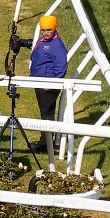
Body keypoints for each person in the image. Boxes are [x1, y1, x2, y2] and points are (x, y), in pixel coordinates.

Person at [30, 14, 69, 153]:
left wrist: (51, 84)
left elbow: (61, 67)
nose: (46, 33)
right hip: (40, 82)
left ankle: (45, 145)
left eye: (49, 30)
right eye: (43, 30)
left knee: (47, 114)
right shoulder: (43, 40)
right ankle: (45, 141)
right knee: (44, 112)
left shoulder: (57, 45)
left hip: (47, 85)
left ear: (54, 29)